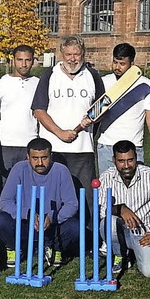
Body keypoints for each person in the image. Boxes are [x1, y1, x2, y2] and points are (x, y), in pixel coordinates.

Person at [31, 35, 104, 216]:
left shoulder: (92, 75)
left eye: (76, 54)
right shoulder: (50, 74)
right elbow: (39, 111)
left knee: (85, 198)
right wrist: (60, 133)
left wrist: (93, 119)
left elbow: (102, 107)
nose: (72, 59)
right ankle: (51, 240)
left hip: (83, 150)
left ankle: (87, 240)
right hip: (53, 149)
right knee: (52, 197)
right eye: (68, 54)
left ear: (83, 54)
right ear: (61, 54)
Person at [99, 140, 150, 277]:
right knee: (109, 222)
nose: (126, 166)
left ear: (136, 158)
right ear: (114, 160)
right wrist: (120, 209)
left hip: (144, 233)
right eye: (121, 161)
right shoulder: (106, 177)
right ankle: (121, 255)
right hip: (119, 230)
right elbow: (102, 211)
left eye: (130, 160)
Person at [0, 138, 79, 268]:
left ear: (51, 156)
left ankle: (56, 249)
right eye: (35, 158)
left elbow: (72, 204)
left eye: (44, 158)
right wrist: (27, 214)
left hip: (51, 224)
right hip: (24, 223)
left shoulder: (61, 171)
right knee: (1, 219)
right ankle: (14, 248)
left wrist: (52, 216)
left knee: (75, 227)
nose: (40, 162)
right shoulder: (19, 169)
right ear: (27, 156)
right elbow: (5, 202)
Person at [97, 43, 150, 173]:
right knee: (107, 190)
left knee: (134, 190)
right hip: (107, 146)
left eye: (122, 64)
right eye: (115, 62)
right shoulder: (104, 82)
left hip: (134, 147)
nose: (117, 67)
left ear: (132, 64)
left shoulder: (145, 84)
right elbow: (95, 114)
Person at [0, 45, 40, 191]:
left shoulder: (38, 84)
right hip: (6, 144)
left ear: (33, 61)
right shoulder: (2, 82)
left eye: (28, 60)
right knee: (5, 188)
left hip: (30, 143)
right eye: (20, 60)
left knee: (29, 188)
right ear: (13, 60)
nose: (24, 64)